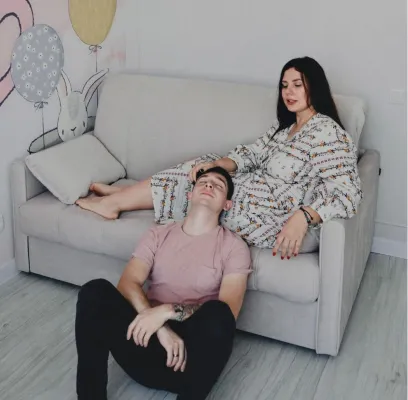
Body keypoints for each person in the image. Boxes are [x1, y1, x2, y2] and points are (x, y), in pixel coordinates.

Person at [76, 56, 363, 259]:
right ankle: (124, 196)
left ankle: (116, 202)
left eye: (297, 84)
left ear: (314, 86)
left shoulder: (327, 132)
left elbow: (348, 192)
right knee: (206, 168)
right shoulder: (285, 128)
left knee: (205, 185)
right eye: (284, 85)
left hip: (273, 214)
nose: (289, 92)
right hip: (253, 193)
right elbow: (251, 154)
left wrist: (303, 217)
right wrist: (217, 164)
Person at [75, 166, 252, 400]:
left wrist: (168, 312)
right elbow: (128, 283)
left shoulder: (234, 247)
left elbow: (229, 312)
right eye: (203, 181)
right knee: (94, 291)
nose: (209, 185)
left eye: (218, 185)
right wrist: (159, 326)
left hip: (189, 360)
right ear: (190, 194)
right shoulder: (158, 234)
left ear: (226, 204)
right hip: (144, 339)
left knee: (219, 314)